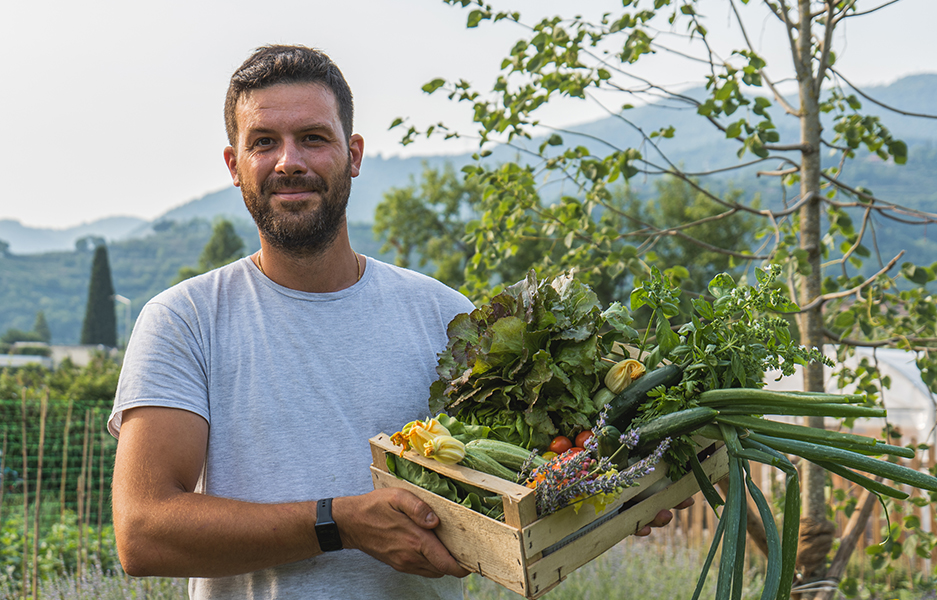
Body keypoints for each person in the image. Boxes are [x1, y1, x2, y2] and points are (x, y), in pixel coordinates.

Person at [108, 44, 682, 600]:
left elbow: (523, 479)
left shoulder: (447, 318)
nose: (290, 161)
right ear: (234, 165)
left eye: (313, 138)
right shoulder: (184, 321)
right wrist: (341, 523)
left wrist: (616, 500)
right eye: (264, 142)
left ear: (353, 154)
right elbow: (143, 531)